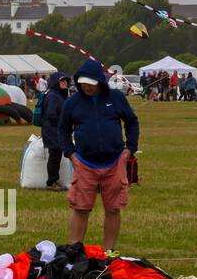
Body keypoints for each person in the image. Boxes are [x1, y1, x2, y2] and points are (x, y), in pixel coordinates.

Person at [58, 58, 139, 254]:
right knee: (81, 208)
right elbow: (62, 131)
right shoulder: (72, 103)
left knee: (113, 208)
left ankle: (109, 251)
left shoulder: (116, 98)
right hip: (84, 163)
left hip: (114, 162)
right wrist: (72, 155)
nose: (87, 87)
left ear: (100, 82)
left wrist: (130, 149)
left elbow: (131, 121)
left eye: (91, 84)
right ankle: (74, 252)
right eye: (83, 83)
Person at [40, 71, 71, 191]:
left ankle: (54, 180)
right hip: (52, 129)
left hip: (56, 129)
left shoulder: (61, 94)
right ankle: (51, 182)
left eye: (65, 80)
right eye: (62, 80)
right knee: (55, 155)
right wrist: (65, 122)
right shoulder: (53, 95)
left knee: (56, 155)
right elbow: (51, 115)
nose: (64, 82)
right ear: (55, 82)